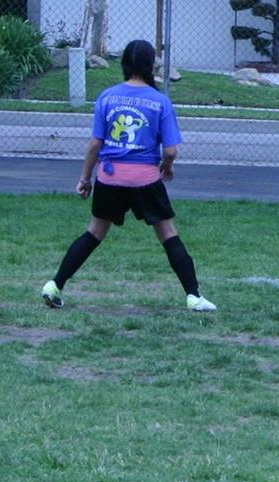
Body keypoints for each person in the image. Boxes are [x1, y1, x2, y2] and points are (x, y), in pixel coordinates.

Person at [41, 39, 214, 312]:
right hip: (145, 179)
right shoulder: (160, 102)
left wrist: (85, 179)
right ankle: (193, 296)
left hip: (110, 178)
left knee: (94, 232)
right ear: (150, 66)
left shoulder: (107, 97)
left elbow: (94, 145)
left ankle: (55, 285)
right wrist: (167, 167)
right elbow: (171, 150)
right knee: (168, 233)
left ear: (124, 64)